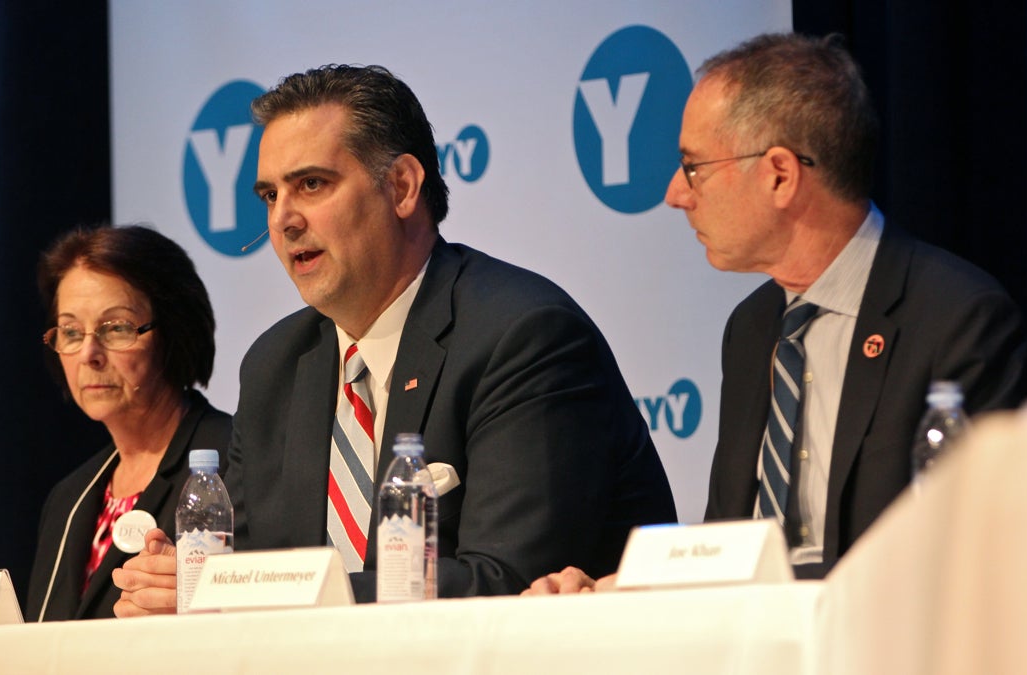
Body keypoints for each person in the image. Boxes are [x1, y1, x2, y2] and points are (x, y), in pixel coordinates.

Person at [112, 64, 677, 612]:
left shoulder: (523, 336)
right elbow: (245, 567)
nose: (283, 220)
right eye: (270, 196)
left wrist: (250, 591)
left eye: (311, 184)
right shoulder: (276, 365)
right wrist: (186, 584)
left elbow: (509, 581)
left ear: (403, 187)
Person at [524, 32, 1027, 595]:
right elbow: (732, 542)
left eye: (693, 167)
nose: (676, 193)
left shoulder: (958, 320)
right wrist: (622, 589)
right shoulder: (751, 329)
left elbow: (974, 556)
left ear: (780, 175)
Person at [26, 224, 232, 621]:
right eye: (71, 331)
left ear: (172, 332)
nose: (89, 353)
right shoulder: (68, 499)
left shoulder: (236, 460)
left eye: (116, 328)